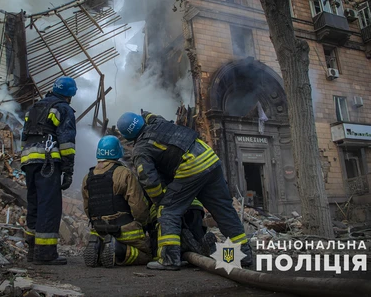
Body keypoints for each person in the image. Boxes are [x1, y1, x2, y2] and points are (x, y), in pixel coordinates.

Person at [117, 111, 252, 270]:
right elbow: (153, 116)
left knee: (168, 212)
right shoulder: (158, 123)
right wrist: (144, 115)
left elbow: (150, 182)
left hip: (192, 167)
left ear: (127, 137)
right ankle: (244, 255)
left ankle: (170, 259)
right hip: (210, 159)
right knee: (224, 210)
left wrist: (161, 201)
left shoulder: (140, 149)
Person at [21, 76, 77, 265]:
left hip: (28, 160)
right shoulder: (63, 108)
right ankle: (45, 253)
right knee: (49, 206)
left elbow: (24, 136)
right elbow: (67, 143)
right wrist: (68, 170)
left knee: (34, 204)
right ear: (70, 95)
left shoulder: (34, 108)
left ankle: (32, 250)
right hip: (47, 161)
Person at [81, 135, 152, 267]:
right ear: (118, 151)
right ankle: (118, 248)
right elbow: (138, 206)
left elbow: (87, 208)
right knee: (147, 254)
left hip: (99, 229)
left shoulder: (87, 177)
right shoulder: (124, 173)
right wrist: (144, 223)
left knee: (105, 252)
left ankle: (99, 245)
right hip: (123, 229)